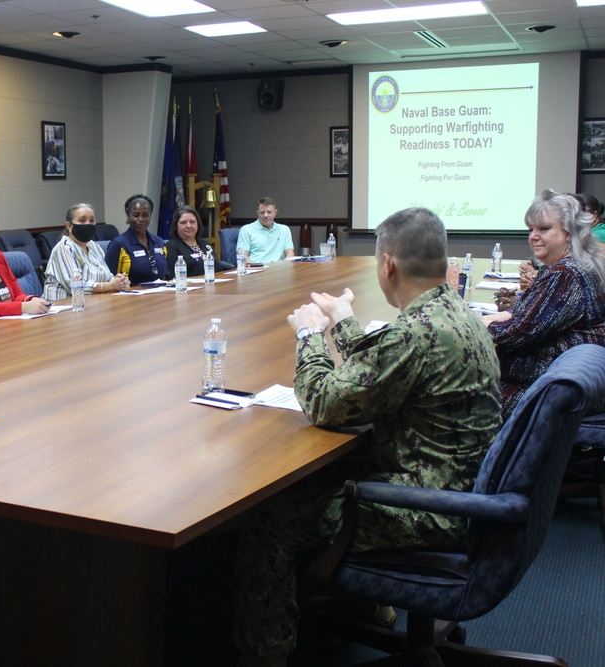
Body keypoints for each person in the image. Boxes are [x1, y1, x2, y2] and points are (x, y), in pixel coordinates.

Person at [234, 207, 501, 667]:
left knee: (268, 520)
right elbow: (385, 372)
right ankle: (371, 606)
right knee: (319, 476)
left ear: (388, 264)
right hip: (462, 489)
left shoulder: (415, 333)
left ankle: (266, 656)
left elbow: (322, 401)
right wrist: (343, 318)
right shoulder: (454, 312)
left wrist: (308, 336)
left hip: (430, 508)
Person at [483, 189, 605, 419]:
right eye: (531, 229)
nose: (533, 236)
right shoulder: (579, 265)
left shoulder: (565, 274)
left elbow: (519, 332)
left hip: (545, 397)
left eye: (544, 229)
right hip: (562, 390)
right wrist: (482, 320)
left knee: (453, 394)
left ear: (569, 233)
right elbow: (522, 316)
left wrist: (472, 327)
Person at [42, 203, 129, 300]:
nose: (88, 224)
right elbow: (76, 286)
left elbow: (107, 276)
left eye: (91, 221)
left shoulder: (94, 246)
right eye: (82, 220)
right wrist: (111, 286)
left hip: (94, 303)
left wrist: (119, 281)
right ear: (69, 226)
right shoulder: (64, 248)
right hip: (63, 307)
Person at [104, 194, 168, 285]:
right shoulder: (118, 244)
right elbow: (108, 279)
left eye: (145, 215)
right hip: (129, 296)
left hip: (160, 294)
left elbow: (166, 275)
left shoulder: (159, 242)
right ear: (128, 216)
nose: (141, 219)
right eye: (136, 215)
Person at [163, 205, 220, 278]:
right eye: (183, 222)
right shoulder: (171, 246)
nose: (188, 226)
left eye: (192, 222)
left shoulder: (205, 243)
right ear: (176, 225)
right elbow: (171, 275)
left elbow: (217, 267)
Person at [235, 197, 295, 264]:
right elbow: (243, 257)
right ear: (257, 213)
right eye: (262, 212)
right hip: (255, 271)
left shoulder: (284, 230)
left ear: (275, 212)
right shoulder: (246, 230)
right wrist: (259, 268)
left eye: (269, 212)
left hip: (277, 270)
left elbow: (290, 255)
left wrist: (280, 266)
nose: (266, 215)